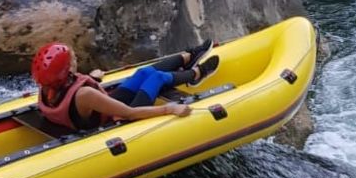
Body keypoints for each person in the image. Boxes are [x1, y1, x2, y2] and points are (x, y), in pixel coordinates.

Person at [32, 40, 220, 134]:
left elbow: (70, 97)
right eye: (72, 60)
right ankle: (195, 75)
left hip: (99, 109)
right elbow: (129, 113)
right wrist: (169, 109)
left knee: (142, 74)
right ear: (65, 71)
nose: (76, 60)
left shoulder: (47, 87)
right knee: (156, 78)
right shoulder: (85, 94)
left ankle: (186, 57)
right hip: (117, 118)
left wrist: (91, 78)